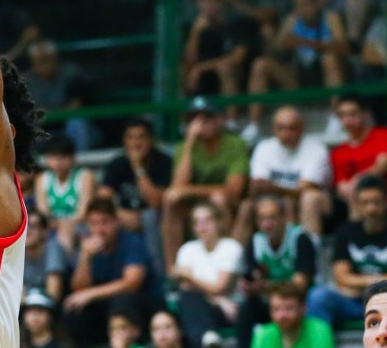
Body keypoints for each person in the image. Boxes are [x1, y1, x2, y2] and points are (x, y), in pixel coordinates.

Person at [162, 98, 249, 268]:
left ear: (220, 119)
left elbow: (234, 190)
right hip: (195, 204)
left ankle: (223, 265)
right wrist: (189, 143)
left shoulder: (235, 144)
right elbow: (177, 188)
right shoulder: (184, 147)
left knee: (218, 198)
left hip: (229, 203)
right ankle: (173, 270)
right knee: (170, 201)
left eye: (206, 118)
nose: (200, 124)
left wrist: (191, 191)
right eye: (194, 119)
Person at [246, 0, 349, 131]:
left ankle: (336, 116)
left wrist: (304, 42)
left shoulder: (331, 17)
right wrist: (271, 39)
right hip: (299, 77)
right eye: (299, 6)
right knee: (260, 64)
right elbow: (278, 50)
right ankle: (253, 125)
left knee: (329, 58)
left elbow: (344, 48)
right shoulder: (292, 20)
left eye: (307, 4)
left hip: (325, 74)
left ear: (316, 3)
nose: (303, 9)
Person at [311, 176, 387, 324]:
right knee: (319, 297)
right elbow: (342, 277)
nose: (371, 209)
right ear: (356, 205)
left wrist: (359, 285)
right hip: (354, 303)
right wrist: (383, 280)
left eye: (376, 202)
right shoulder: (345, 232)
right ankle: (319, 347)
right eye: (365, 203)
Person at [236, 196, 319, 348]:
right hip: (272, 302)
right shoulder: (255, 242)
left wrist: (264, 286)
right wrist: (250, 286)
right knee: (245, 310)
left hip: (301, 301)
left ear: (284, 217)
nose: (267, 224)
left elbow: (299, 285)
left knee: (312, 301)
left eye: (272, 218)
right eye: (262, 219)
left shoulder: (300, 239)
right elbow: (253, 277)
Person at [69, 198, 157, 348]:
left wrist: (91, 294)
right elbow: (79, 288)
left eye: (104, 222)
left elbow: (132, 283)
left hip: (142, 303)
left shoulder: (131, 242)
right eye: (93, 224)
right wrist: (85, 258)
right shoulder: (89, 248)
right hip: (107, 305)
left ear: (116, 222)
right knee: (73, 309)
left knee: (121, 301)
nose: (99, 229)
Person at [241, 107, 330, 240]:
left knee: (307, 198)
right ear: (273, 130)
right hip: (275, 199)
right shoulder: (264, 148)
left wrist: (274, 187)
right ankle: (233, 255)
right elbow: (259, 186)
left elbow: (306, 188)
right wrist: (276, 190)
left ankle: (309, 250)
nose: (286, 133)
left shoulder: (316, 149)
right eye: (280, 128)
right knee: (246, 206)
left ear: (301, 128)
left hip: (316, 201)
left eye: (291, 128)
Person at [171, 202, 244, 348]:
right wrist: (218, 300)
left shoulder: (231, 247)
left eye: (207, 221)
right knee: (186, 297)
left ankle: (204, 342)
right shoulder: (187, 249)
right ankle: (207, 339)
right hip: (214, 305)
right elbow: (186, 287)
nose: (202, 227)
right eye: (196, 222)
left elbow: (219, 287)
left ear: (219, 223)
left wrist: (189, 276)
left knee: (190, 301)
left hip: (231, 311)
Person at [100, 117, 171, 267]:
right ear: (124, 141)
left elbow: (156, 202)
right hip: (124, 216)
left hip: (157, 217)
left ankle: (160, 276)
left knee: (149, 217)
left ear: (151, 139)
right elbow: (103, 197)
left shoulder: (163, 162)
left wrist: (138, 166)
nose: (136, 143)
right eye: (131, 137)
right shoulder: (117, 163)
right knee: (101, 220)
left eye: (141, 137)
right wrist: (120, 214)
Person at [329, 94, 387, 214]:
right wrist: (347, 187)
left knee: (357, 190)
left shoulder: (385, 135)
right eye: (342, 115)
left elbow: (383, 165)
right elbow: (341, 185)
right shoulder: (338, 152)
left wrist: (358, 180)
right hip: (355, 202)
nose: (347, 120)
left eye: (352, 114)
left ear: (366, 114)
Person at [38, 135, 96, 251]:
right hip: (52, 228)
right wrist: (59, 225)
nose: (57, 162)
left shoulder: (85, 176)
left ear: (72, 158)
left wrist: (65, 225)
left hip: (80, 227)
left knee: (65, 232)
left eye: (62, 157)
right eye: (53, 157)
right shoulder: (42, 178)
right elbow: (43, 213)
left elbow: (82, 213)